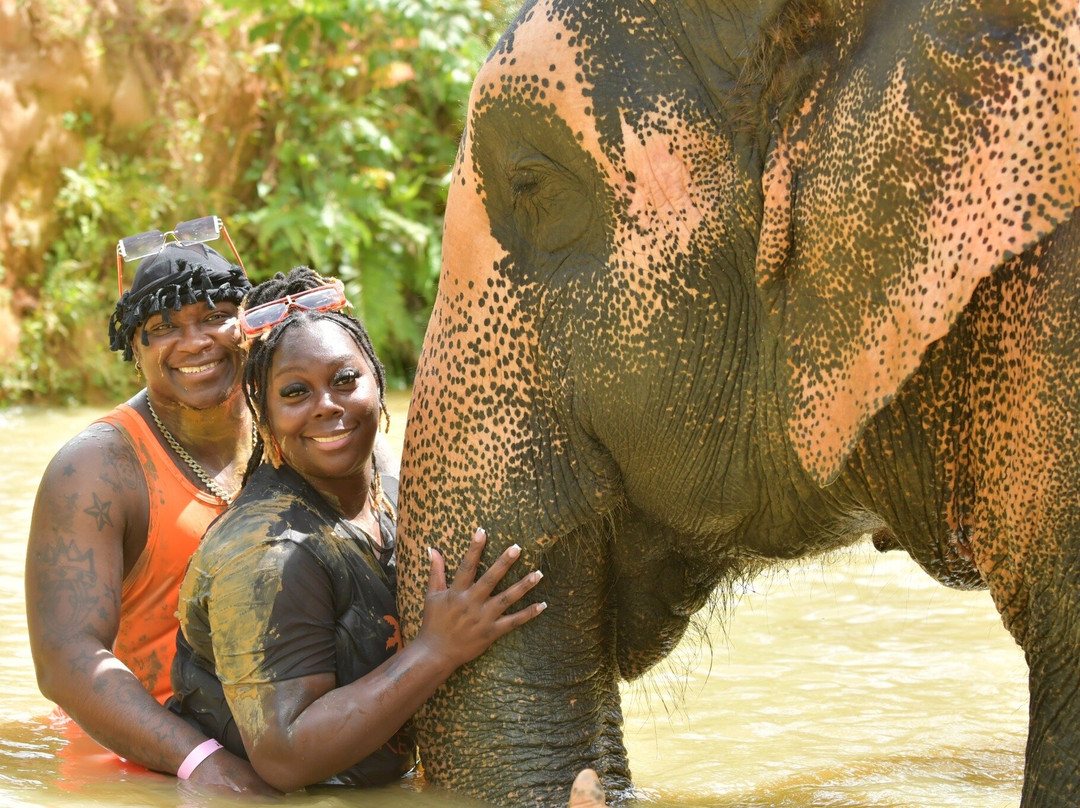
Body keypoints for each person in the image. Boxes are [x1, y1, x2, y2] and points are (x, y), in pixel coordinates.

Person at [168, 266, 547, 792]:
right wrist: (435, 651)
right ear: (265, 413)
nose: (327, 405)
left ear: (378, 381)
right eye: (295, 392)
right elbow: (285, 755)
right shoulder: (267, 551)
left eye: (345, 380)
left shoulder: (392, 495)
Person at [24, 225, 275, 792]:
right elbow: (67, 660)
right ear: (133, 349)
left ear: (250, 324)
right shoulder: (95, 468)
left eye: (214, 315)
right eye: (163, 328)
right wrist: (203, 764)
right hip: (150, 761)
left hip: (287, 738)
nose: (194, 342)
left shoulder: (300, 414)